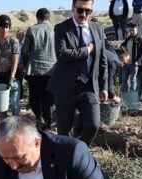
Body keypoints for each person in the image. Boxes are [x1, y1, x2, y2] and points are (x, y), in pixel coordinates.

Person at [46, 0, 108, 146]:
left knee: (93, 124)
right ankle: (66, 160)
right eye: (80, 10)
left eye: (88, 11)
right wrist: (87, 50)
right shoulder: (62, 28)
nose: (84, 14)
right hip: (66, 87)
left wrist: (104, 86)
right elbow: (62, 54)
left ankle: (80, 151)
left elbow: (102, 59)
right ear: (73, 9)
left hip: (88, 86)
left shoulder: (97, 29)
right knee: (64, 132)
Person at [22, 8, 57, 130]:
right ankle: (46, 127)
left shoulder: (32, 30)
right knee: (48, 100)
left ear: (37, 18)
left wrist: (25, 64)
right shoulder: (56, 30)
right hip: (52, 71)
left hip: (35, 71)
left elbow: (24, 50)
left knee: (34, 98)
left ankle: (39, 117)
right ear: (48, 18)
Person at [0, 15, 20, 119]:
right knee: (2, 107)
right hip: (0, 77)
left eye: (6, 27)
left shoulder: (13, 41)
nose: (4, 29)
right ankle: (4, 131)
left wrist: (12, 77)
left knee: (15, 105)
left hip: (13, 77)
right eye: (2, 26)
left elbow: (15, 60)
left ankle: (16, 129)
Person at [120, 23, 142, 93]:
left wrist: (137, 61)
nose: (131, 32)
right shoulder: (128, 39)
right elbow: (122, 46)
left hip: (134, 64)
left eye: (133, 30)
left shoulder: (140, 40)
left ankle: (132, 97)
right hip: (126, 64)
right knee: (124, 80)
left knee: (133, 80)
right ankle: (124, 97)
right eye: (130, 30)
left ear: (137, 30)